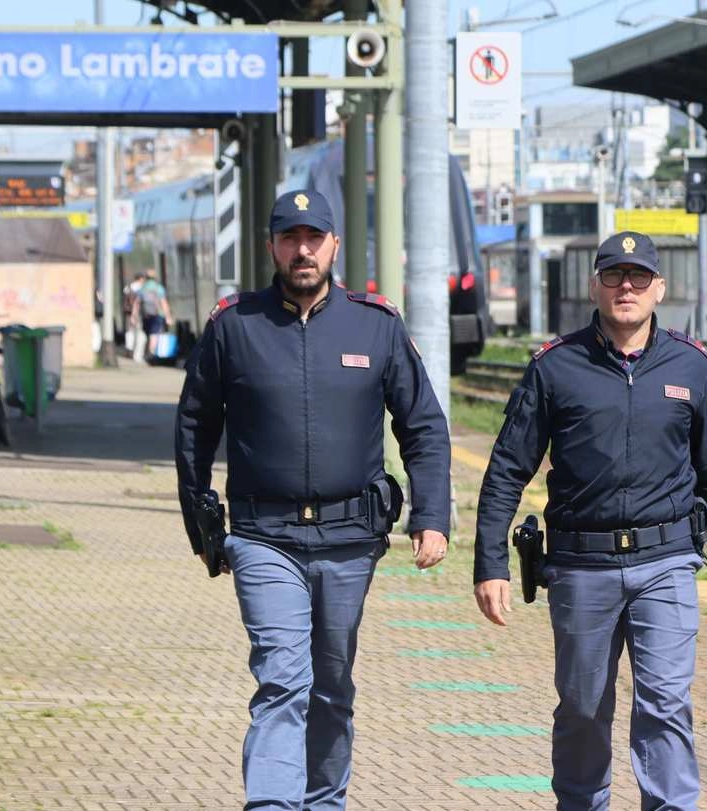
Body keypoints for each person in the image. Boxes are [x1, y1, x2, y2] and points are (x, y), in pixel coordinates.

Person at [175, 190, 451, 811]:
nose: (303, 250)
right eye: (289, 238)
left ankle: (324, 802)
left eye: (314, 238)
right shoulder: (233, 326)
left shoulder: (375, 324)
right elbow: (195, 426)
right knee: (282, 680)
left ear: (333, 244)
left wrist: (431, 518)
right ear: (271, 246)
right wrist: (202, 523)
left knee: (330, 688)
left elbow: (425, 428)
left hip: (351, 542)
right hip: (263, 537)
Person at [473, 231, 707, 811]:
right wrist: (489, 564)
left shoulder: (692, 368)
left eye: (639, 277)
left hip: (666, 562)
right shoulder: (555, 368)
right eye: (615, 275)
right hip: (579, 566)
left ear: (659, 289)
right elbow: (505, 470)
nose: (627, 287)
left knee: (665, 702)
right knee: (582, 709)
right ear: (593, 284)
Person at [133, 269, 173, 360]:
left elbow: (137, 303)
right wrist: (168, 316)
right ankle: (151, 353)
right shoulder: (158, 288)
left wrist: (134, 315)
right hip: (157, 314)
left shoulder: (142, 288)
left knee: (148, 334)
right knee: (154, 334)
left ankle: (146, 353)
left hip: (145, 315)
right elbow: (164, 303)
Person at [124, 272, 147, 362]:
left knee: (130, 332)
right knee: (141, 335)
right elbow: (137, 303)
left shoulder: (128, 287)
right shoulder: (140, 288)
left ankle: (129, 349)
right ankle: (137, 355)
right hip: (137, 314)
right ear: (141, 279)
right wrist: (135, 315)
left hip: (129, 313)